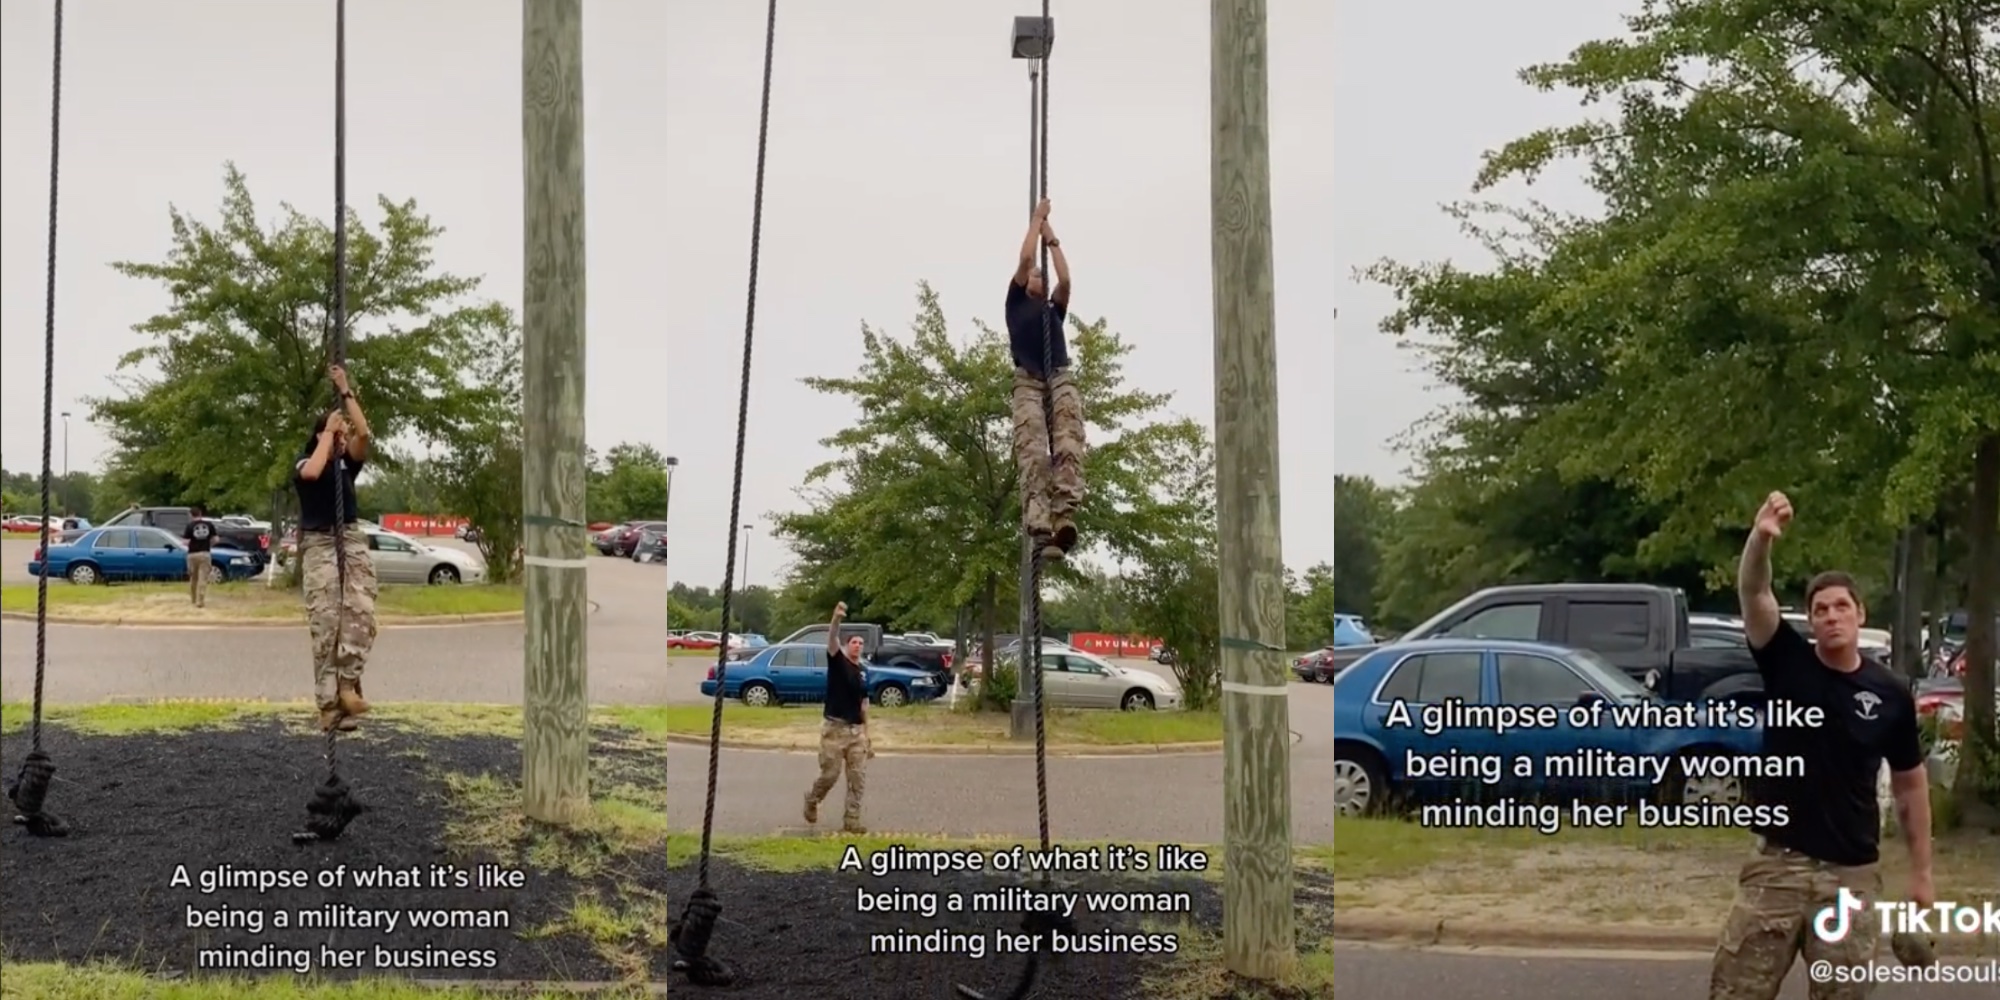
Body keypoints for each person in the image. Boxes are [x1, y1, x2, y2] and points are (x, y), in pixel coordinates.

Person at [1710, 491, 1931, 999]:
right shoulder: (1785, 661)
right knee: (1735, 991)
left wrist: (1922, 875)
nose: (1832, 616)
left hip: (1850, 875)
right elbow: (1754, 590)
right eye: (1821, 609)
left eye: (1841, 607)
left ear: (1860, 614)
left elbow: (1910, 786)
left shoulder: (1890, 694)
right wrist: (1760, 538)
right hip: (1777, 868)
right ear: (1810, 620)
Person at [294, 364, 379, 733]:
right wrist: (328, 434)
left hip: (351, 539)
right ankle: (328, 705)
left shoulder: (347, 466)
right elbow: (312, 472)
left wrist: (345, 390)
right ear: (320, 436)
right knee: (326, 622)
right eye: (335, 434)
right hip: (320, 543)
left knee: (361, 614)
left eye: (342, 435)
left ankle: (348, 686)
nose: (343, 439)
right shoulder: (306, 462)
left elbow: (364, 433)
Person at [1006, 197, 1084, 562]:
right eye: (1037, 276)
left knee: (1068, 443)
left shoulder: (1054, 308)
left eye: (1041, 275)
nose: (1040, 276)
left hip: (1058, 377)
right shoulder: (1015, 303)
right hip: (1029, 382)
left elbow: (1065, 279)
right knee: (1034, 451)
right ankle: (1038, 522)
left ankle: (1063, 518)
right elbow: (1025, 260)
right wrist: (1037, 219)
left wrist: (1051, 236)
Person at [804, 601, 873, 834]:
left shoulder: (863, 672)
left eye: (861, 643)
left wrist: (868, 735)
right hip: (834, 729)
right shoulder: (837, 662)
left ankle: (852, 820)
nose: (858, 646)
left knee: (857, 779)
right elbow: (832, 638)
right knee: (830, 775)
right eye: (854, 642)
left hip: (856, 732)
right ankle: (812, 799)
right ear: (846, 645)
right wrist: (836, 618)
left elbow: (864, 704)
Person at [183, 506, 217, 608]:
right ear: (200, 513)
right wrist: (208, 544)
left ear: (191, 515)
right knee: (203, 578)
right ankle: (200, 601)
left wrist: (192, 543)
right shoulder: (209, 525)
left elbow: (185, 542)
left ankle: (193, 599)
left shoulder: (189, 526)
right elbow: (216, 539)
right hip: (205, 553)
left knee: (193, 578)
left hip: (192, 554)